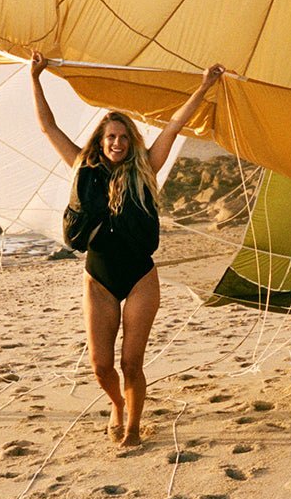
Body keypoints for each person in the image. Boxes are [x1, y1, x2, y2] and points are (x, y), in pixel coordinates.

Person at [31, 55, 224, 446]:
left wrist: (203, 86)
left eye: (122, 137)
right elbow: (48, 127)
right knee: (101, 366)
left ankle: (133, 428)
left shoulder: (147, 168)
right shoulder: (82, 168)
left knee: (130, 362)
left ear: (130, 141)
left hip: (139, 277)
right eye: (110, 138)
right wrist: (34, 77)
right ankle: (117, 404)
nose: (117, 143)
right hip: (98, 278)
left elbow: (175, 125)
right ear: (101, 143)